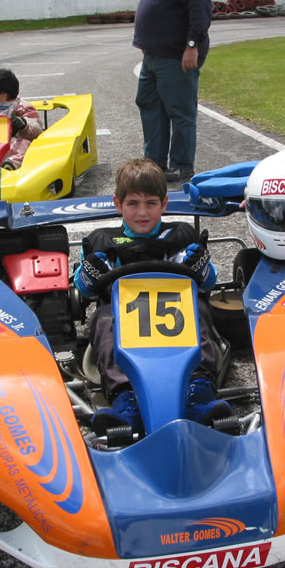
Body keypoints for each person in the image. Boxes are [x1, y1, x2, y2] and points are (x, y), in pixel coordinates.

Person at [73, 158, 231, 436]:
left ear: (164, 204)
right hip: (122, 319)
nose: (142, 212)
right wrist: (90, 273)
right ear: (118, 204)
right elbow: (82, 289)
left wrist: (200, 265)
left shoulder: (179, 235)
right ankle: (126, 402)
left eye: (151, 203)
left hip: (176, 315)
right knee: (102, 318)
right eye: (133, 203)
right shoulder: (103, 240)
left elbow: (209, 281)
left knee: (199, 309)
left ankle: (198, 395)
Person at [132, 0, 212, 183]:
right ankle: (154, 163)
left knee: (180, 111)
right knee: (150, 106)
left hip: (176, 54)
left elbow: (199, 9)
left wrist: (192, 45)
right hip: (153, 54)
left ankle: (181, 166)